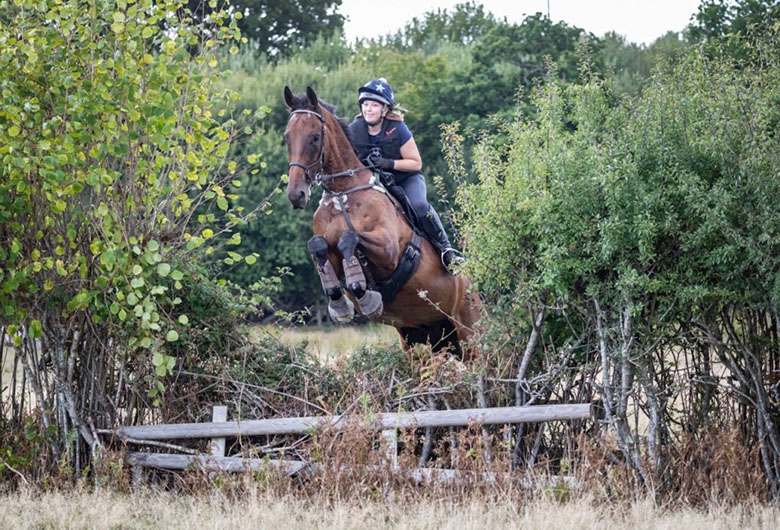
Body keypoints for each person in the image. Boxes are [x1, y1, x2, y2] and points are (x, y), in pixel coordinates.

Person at [348, 78, 464, 271]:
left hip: (405, 179)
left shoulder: (398, 129)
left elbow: (415, 162)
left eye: (374, 105)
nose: (368, 109)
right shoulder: (354, 130)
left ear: (385, 109)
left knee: (419, 205)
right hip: (374, 183)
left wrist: (388, 163)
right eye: (365, 104)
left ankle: (446, 250)